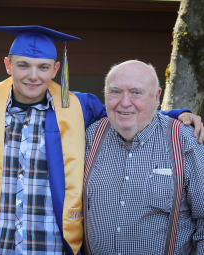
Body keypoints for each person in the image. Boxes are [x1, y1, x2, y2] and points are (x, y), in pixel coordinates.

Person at [0, 26, 202, 255]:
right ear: (7, 65)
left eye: (43, 67)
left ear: (55, 70)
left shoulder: (77, 106)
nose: (33, 76)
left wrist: (176, 114)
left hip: (49, 245)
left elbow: (124, 112)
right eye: (23, 65)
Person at [84, 60, 204, 254]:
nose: (124, 102)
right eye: (115, 92)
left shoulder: (186, 141)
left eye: (136, 92)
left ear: (157, 97)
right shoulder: (90, 137)